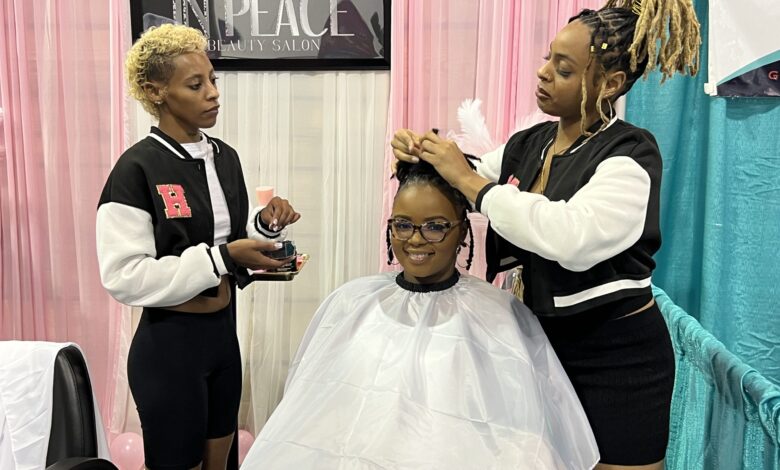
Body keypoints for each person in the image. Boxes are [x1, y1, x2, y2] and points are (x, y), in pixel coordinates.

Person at [390, 1, 700, 468]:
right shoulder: (529, 143)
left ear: (610, 84)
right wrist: (426, 155)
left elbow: (568, 236)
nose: (543, 74)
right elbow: (470, 178)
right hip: (536, 346)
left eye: (564, 68)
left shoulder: (630, 155)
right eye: (547, 58)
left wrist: (470, 181)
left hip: (616, 361)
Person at [241, 160, 600, 469]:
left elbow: (523, 427)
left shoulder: (501, 315)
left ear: (461, 232)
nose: (415, 239)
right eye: (403, 224)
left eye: (435, 226)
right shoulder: (350, 302)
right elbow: (312, 406)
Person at [96, 24, 300, 470]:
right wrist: (223, 258)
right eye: (196, 84)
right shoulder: (135, 169)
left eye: (213, 80)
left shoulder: (225, 157)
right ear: (157, 91)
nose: (213, 93)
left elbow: (226, 240)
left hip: (222, 342)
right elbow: (124, 276)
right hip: (169, 352)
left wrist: (265, 229)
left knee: (222, 465)